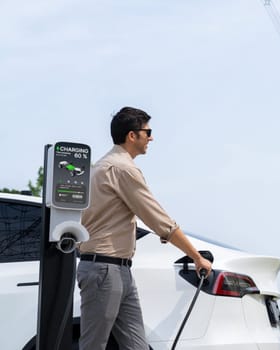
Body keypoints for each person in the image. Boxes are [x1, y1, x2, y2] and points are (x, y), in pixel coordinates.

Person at [77, 106, 212, 350]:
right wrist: (197, 257)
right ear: (132, 135)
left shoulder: (103, 166)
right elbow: (159, 219)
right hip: (104, 269)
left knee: (136, 346)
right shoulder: (122, 169)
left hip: (118, 269)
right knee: (93, 346)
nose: (151, 138)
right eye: (148, 132)